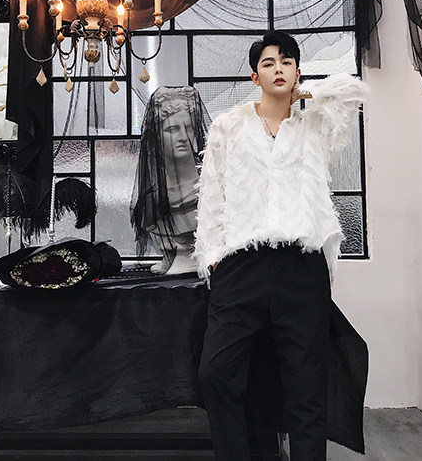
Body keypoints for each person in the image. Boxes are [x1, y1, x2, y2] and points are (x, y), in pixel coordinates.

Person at [194, 31, 369, 461]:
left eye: (286, 61)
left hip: (301, 265)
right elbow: (212, 196)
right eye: (268, 63)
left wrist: (301, 94)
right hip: (241, 265)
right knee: (216, 373)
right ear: (254, 76)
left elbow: (351, 93)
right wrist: (214, 260)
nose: (278, 69)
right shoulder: (229, 126)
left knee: (306, 386)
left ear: (297, 71)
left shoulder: (314, 127)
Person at [131, 86, 210, 274]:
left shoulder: (209, 190)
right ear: (157, 136)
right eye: (173, 129)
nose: (183, 137)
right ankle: (171, 256)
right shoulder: (152, 198)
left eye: (189, 128)